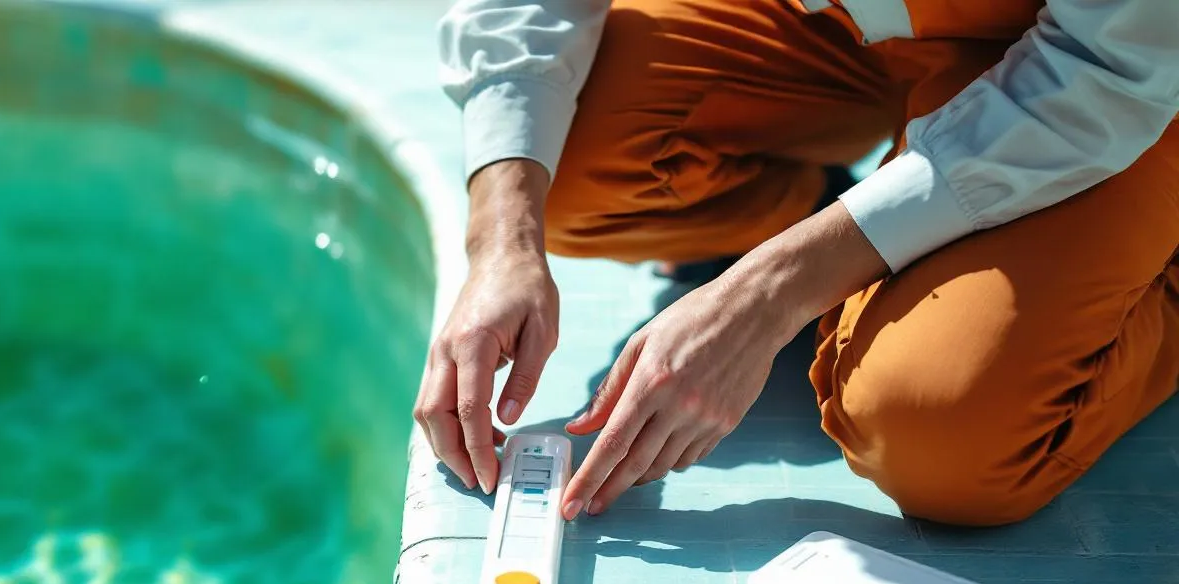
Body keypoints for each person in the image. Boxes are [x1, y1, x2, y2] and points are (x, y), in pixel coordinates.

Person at [414, 0, 1179, 526]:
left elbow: (1104, 70)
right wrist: (501, 240)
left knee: (939, 436)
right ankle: (867, 220)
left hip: (1125, 73)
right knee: (569, 161)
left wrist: (770, 292)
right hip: (853, 24)